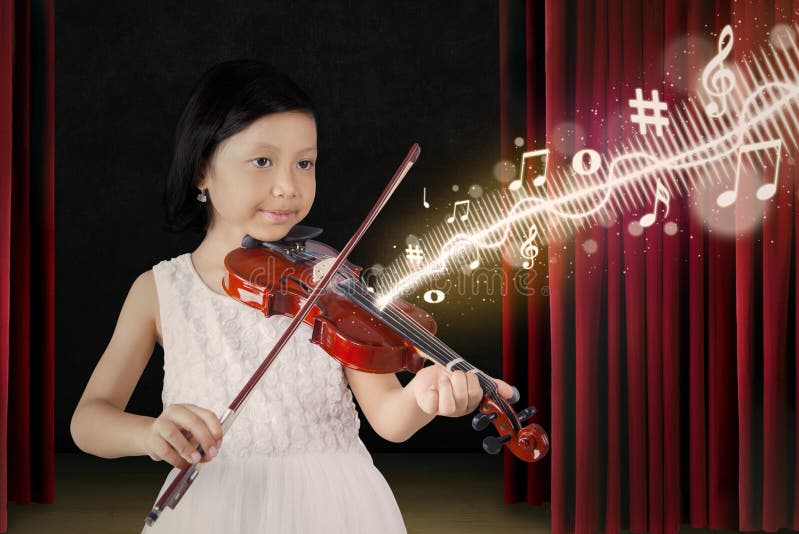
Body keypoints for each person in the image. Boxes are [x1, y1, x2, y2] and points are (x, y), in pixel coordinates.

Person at [69, 59, 515, 533]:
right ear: (202, 170)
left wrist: (425, 396)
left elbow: (390, 420)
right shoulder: (159, 291)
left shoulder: (330, 283)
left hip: (336, 508)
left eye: (305, 163)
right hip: (215, 510)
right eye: (262, 161)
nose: (288, 187)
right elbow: (89, 421)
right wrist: (149, 433)